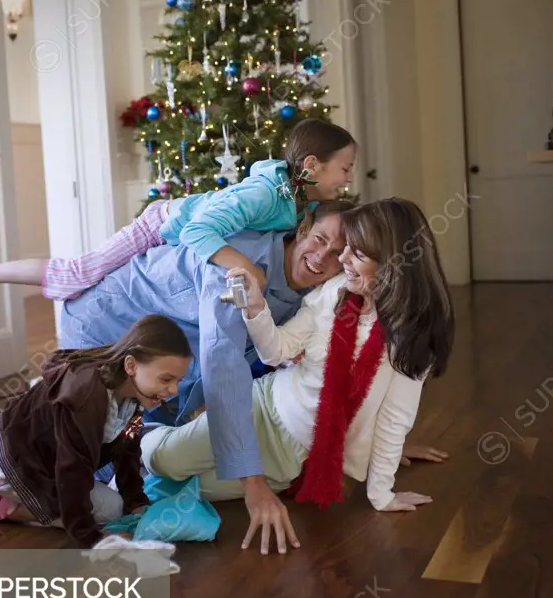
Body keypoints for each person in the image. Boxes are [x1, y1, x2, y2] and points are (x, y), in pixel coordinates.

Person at [140, 198, 455, 555]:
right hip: (263, 407)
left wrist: (382, 493)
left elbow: (394, 419)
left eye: (357, 255)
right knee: (163, 462)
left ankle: (165, 458)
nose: (343, 261)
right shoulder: (332, 294)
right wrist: (257, 310)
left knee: (186, 485)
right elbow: (276, 352)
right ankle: (145, 435)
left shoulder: (410, 338)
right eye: (345, 249)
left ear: (393, 264)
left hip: (293, 457)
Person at [60, 200, 350, 554]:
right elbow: (223, 366)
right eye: (319, 239)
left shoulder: (313, 294)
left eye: (337, 253)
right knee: (87, 478)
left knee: (128, 467)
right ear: (303, 229)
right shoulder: (238, 263)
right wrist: (253, 485)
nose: (322, 257)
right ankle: (11, 469)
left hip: (164, 367)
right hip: (104, 326)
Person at [0, 119, 356, 327]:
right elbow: (196, 231)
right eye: (345, 168)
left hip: (178, 238)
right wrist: (241, 266)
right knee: (75, 277)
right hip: (160, 225)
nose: (349, 178)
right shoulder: (264, 193)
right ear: (313, 164)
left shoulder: (297, 205)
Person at [0, 316, 192, 549]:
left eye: (177, 381)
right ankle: (15, 510)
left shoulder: (134, 396)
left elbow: (127, 447)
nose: (172, 390)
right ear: (131, 365)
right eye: (166, 379)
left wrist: (136, 499)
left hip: (7, 451)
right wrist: (91, 537)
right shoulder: (87, 399)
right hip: (12, 462)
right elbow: (71, 474)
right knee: (109, 508)